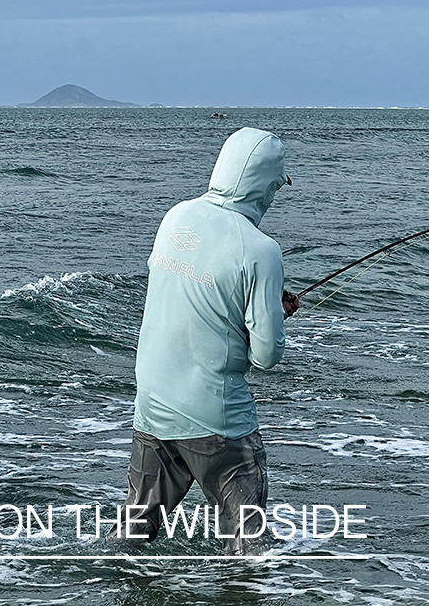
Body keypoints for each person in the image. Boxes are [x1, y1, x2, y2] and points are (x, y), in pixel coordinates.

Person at [114, 127, 300, 552]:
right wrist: (273, 315)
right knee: (248, 548)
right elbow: (267, 354)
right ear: (265, 184)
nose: (274, 196)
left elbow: (191, 297)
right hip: (219, 422)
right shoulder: (260, 249)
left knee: (131, 535)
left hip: (153, 406)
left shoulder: (176, 215)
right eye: (276, 186)